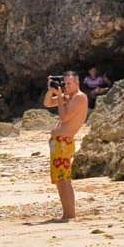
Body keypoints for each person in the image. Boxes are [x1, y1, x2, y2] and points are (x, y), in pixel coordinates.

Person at [43, 70, 88, 221]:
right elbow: (47, 103)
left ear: (77, 83)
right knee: (59, 180)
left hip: (64, 142)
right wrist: (52, 91)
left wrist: (61, 96)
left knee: (64, 179)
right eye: (65, 83)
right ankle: (66, 214)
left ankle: (70, 214)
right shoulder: (68, 97)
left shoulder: (79, 98)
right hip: (58, 143)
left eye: (69, 83)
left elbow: (64, 116)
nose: (66, 86)